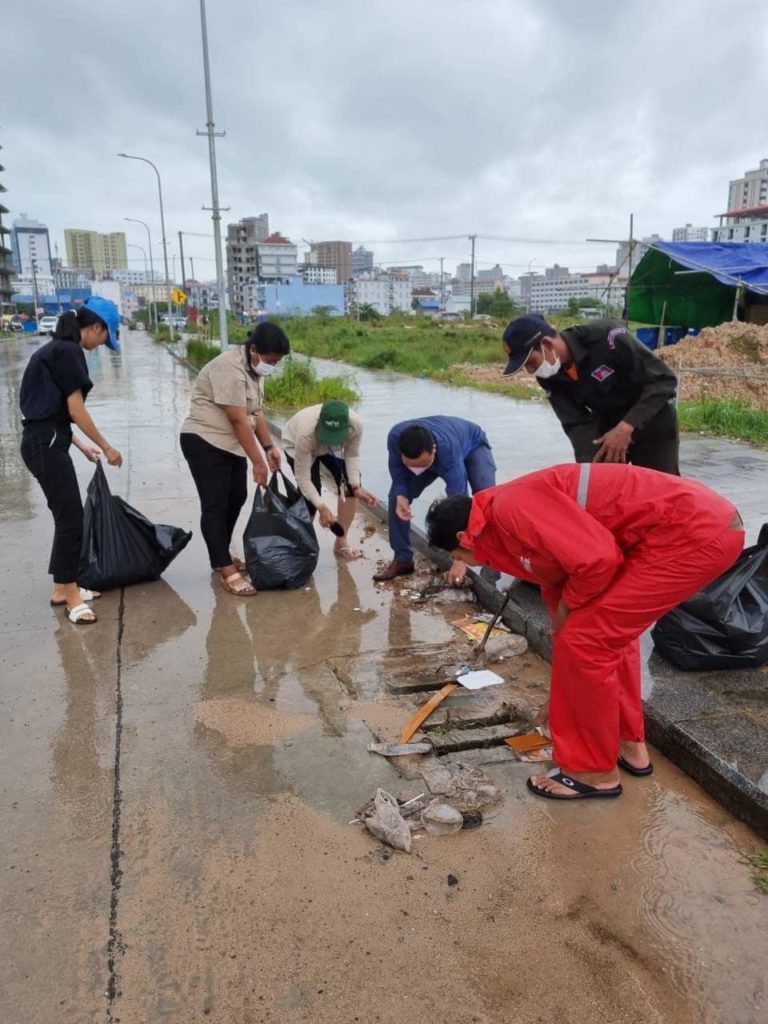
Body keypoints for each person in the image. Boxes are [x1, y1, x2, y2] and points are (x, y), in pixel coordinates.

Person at [426, 463, 744, 802]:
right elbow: (557, 576)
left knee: (589, 642)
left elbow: (597, 560)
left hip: (692, 532)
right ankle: (628, 745)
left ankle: (593, 772)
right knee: (600, 638)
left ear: (462, 538)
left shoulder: (510, 509)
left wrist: (569, 626)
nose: (463, 561)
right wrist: (564, 657)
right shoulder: (495, 523)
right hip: (679, 531)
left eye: (454, 555)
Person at [19, 297, 123, 625]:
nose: (103, 343)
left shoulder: (57, 350)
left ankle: (62, 588)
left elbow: (56, 413)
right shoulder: (68, 351)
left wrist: (79, 446)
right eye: (106, 336)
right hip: (45, 442)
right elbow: (75, 410)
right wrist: (106, 446)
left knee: (66, 515)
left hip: (45, 438)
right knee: (71, 519)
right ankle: (72, 596)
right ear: (94, 328)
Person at [180, 322, 289, 596]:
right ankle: (225, 568)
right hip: (205, 441)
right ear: (254, 349)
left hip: (231, 445)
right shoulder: (229, 368)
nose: (271, 366)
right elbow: (238, 419)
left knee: (237, 497)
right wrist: (258, 462)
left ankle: (221, 556)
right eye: (270, 360)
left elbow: (256, 413)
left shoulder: (254, 369)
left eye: (276, 362)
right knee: (215, 505)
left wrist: (268, 447)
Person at [501, 315, 680, 473]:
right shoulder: (549, 376)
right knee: (606, 490)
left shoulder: (608, 336)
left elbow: (664, 380)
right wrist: (591, 468)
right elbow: (576, 423)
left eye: (530, 362)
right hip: (608, 428)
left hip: (652, 420)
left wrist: (626, 426)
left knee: (660, 490)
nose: (531, 371)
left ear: (547, 344)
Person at [373, 415, 496, 583]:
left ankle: (491, 555)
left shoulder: (448, 451)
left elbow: (459, 503)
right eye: (412, 466)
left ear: (434, 449)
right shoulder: (395, 437)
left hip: (472, 446)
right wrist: (402, 494)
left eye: (423, 465)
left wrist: (460, 560)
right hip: (433, 455)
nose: (418, 470)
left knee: (486, 498)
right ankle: (403, 559)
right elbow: (397, 470)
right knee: (396, 498)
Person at [281, 400, 378, 559]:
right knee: (310, 499)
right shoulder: (305, 433)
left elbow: (352, 454)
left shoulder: (356, 426)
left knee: (350, 486)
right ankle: (300, 543)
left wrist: (355, 487)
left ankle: (341, 540)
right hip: (298, 445)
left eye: (337, 437)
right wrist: (321, 506)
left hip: (333, 450)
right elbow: (303, 478)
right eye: (329, 436)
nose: (332, 441)